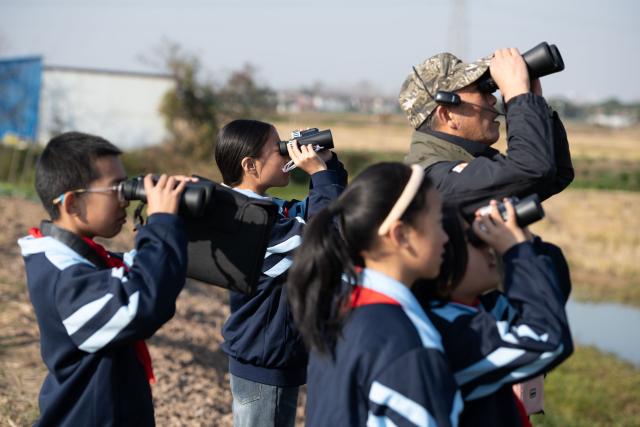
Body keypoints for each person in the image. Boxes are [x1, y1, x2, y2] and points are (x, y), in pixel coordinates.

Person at [17, 131, 192, 426]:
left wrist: (173, 224)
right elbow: (141, 302)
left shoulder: (81, 258)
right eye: (115, 188)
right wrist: (162, 226)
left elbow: (137, 273)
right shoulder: (64, 277)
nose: (124, 199)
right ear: (72, 204)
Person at [288, 162, 463, 427]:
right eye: (438, 222)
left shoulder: (341, 306)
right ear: (400, 234)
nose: (446, 238)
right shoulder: (405, 342)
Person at [214, 119, 347, 427]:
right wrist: (319, 175)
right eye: (278, 149)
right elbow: (323, 239)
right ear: (250, 165)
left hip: (273, 354)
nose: (287, 154)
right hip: (263, 362)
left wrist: (328, 167)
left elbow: (325, 211)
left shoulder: (262, 206)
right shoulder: (243, 218)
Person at [413, 202, 573, 426]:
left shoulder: (468, 311)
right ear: (441, 258)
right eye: (475, 242)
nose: (489, 249)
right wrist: (517, 252)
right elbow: (548, 339)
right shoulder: (451, 333)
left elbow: (552, 274)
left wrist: (524, 242)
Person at [398, 48, 574, 213]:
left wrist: (534, 103)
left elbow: (555, 174)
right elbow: (531, 171)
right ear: (447, 115)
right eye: (482, 91)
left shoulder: (459, 163)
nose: (492, 100)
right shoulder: (436, 179)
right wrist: (518, 98)